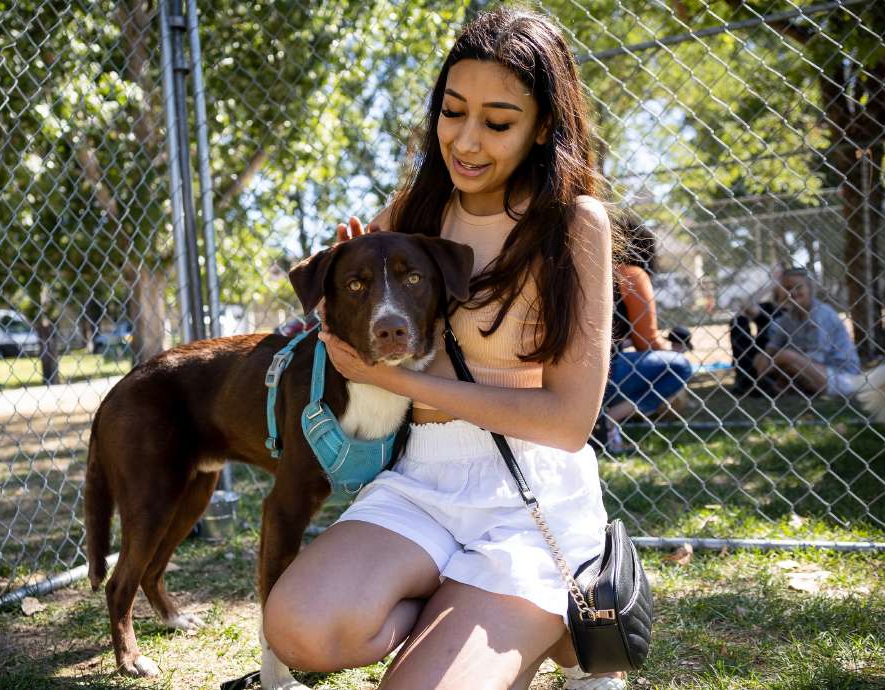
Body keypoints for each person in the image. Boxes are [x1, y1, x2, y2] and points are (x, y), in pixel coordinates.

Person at [263, 9, 626, 690]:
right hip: (421, 480)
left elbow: (569, 422)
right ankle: (462, 613)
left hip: (528, 495)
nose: (466, 140)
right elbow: (346, 309)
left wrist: (403, 383)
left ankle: (556, 628)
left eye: (498, 122)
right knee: (297, 629)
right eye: (452, 112)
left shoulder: (573, 226)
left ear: (542, 126)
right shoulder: (414, 212)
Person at [599, 220, 694, 456]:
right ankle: (609, 420)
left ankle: (603, 419)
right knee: (680, 366)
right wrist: (671, 351)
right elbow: (647, 341)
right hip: (603, 373)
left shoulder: (583, 270)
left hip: (564, 373)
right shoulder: (630, 273)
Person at [753, 269, 861, 398]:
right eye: (787, 288)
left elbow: (817, 358)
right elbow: (773, 346)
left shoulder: (822, 314)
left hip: (841, 375)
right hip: (811, 370)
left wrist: (776, 362)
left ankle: (774, 387)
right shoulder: (788, 316)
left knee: (785, 356)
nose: (792, 292)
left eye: (798, 287)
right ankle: (769, 388)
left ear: (810, 289)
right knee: (760, 357)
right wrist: (766, 358)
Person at [729, 271, 782, 397]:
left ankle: (764, 382)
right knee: (738, 321)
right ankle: (745, 379)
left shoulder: (797, 310)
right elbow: (746, 305)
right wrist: (771, 285)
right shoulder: (770, 308)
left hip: (779, 355)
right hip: (759, 354)